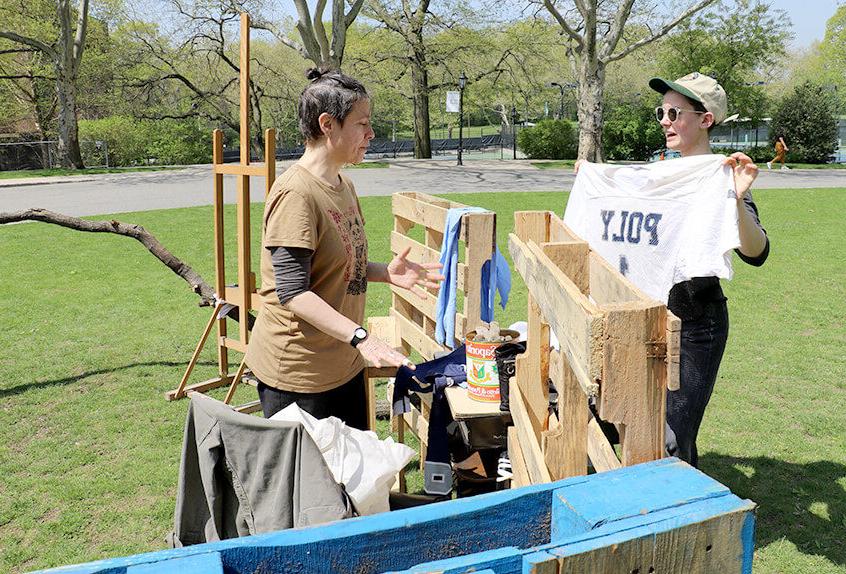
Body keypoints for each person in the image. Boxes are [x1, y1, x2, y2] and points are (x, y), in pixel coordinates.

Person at [245, 68, 444, 429]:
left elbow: (335, 263)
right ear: (327, 125)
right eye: (362, 124)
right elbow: (293, 292)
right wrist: (362, 337)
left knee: (355, 478)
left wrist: (383, 272)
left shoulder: (344, 184)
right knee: (313, 485)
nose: (371, 134)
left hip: (344, 363)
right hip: (299, 375)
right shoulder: (296, 194)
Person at [648, 72, 770, 466]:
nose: (665, 120)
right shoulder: (656, 174)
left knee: (672, 437)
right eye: (661, 112)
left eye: (674, 112)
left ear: (705, 119)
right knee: (642, 425)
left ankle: (679, 520)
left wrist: (736, 199)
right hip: (648, 320)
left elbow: (757, 251)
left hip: (697, 325)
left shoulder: (724, 176)